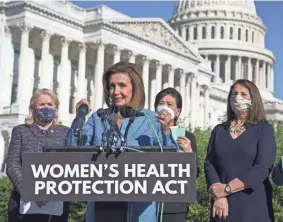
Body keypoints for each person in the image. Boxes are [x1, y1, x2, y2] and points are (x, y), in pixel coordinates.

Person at [68, 61, 176, 222]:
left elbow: (172, 163)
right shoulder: (98, 118)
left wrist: (166, 131)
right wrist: (79, 118)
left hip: (140, 212)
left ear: (134, 88)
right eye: (112, 86)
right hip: (100, 209)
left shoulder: (150, 120)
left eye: (122, 85)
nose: (116, 91)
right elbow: (71, 151)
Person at [204, 79, 276, 222]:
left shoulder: (264, 129)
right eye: (234, 93)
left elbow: (262, 168)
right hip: (221, 206)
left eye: (243, 94)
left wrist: (226, 189)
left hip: (252, 206)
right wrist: (218, 194)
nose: (238, 97)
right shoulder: (219, 130)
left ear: (253, 99)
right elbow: (209, 163)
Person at [6, 89, 70, 222]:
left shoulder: (66, 133)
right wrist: (31, 191)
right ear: (32, 108)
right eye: (41, 104)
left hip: (55, 204)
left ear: (56, 109)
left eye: (50, 104)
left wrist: (50, 192)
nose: (46, 107)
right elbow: (12, 165)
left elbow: (69, 165)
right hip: (23, 203)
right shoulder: (20, 131)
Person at [154, 87, 199, 222]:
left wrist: (189, 153)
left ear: (177, 111)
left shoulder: (186, 137)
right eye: (161, 103)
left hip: (174, 208)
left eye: (169, 104)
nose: (164, 108)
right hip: (147, 205)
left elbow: (194, 174)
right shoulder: (148, 134)